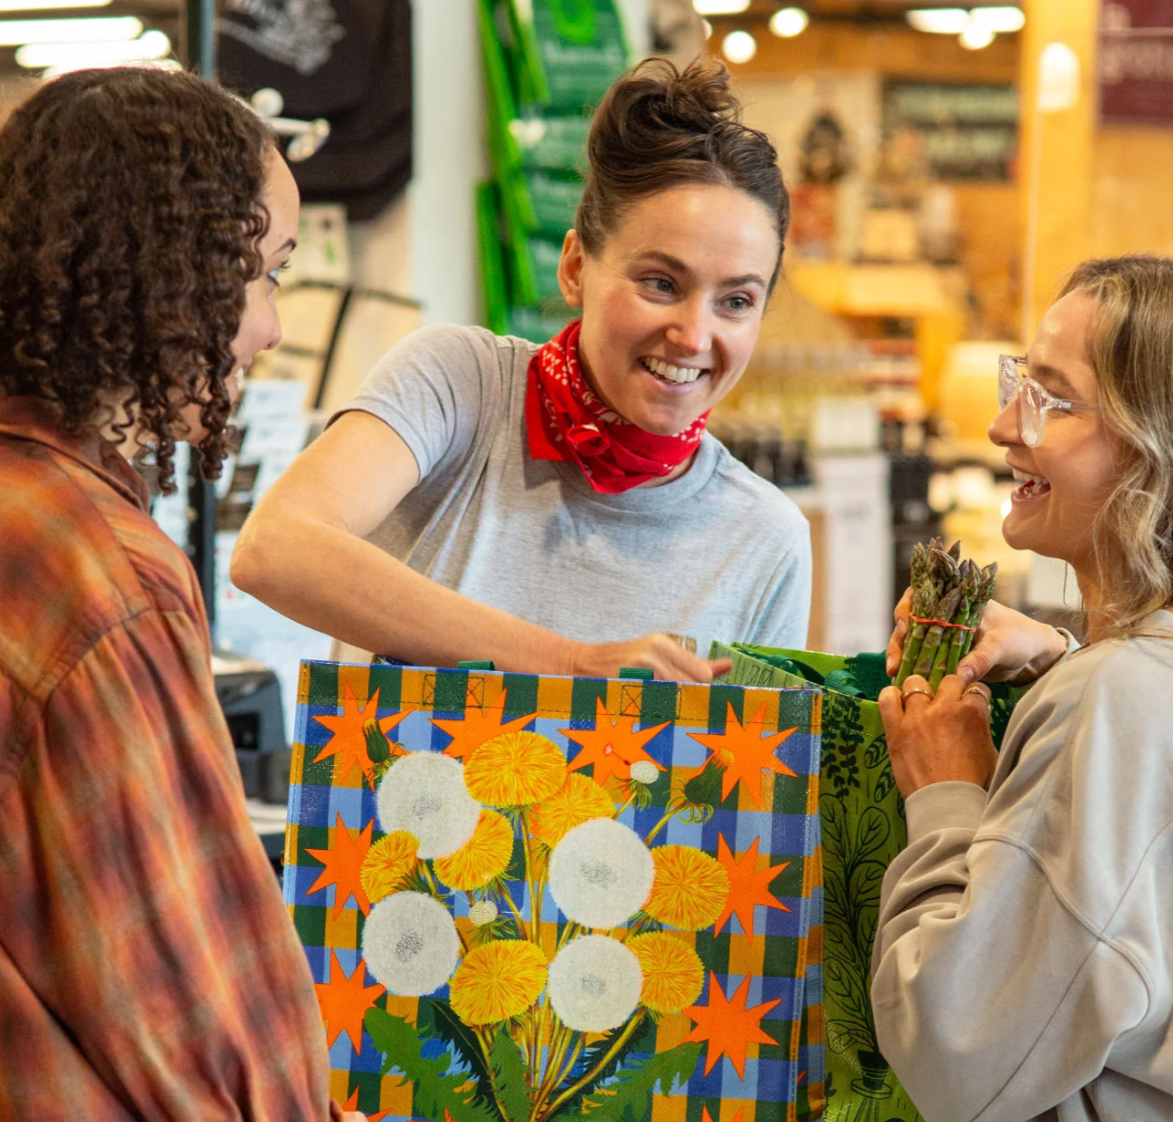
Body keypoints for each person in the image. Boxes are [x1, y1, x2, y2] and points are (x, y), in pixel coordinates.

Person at [0, 68, 408, 1122]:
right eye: (267, 272)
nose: (267, 324)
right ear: (168, 270)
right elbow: (170, 955)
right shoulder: (90, 573)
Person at [873, 255, 1173, 1122]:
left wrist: (945, 789)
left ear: (1166, 454)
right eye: (1017, 380)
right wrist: (1068, 666)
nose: (1006, 427)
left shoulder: (1119, 704)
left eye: (1055, 399)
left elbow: (959, 1058)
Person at [230, 57, 811, 683]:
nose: (694, 335)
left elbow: (751, 775)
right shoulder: (461, 384)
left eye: (737, 301)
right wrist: (569, 664)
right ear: (575, 268)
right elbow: (274, 549)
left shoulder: (766, 538)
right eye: (661, 283)